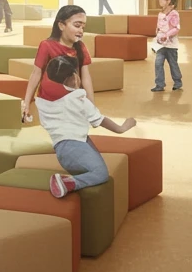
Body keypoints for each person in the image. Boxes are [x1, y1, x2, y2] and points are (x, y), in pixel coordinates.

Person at [34, 54, 137, 198]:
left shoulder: (43, 102)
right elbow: (99, 120)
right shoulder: (78, 99)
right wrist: (122, 128)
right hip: (74, 147)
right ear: (73, 77)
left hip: (63, 149)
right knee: (101, 173)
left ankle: (76, 176)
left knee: (94, 162)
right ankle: (68, 183)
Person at [21, 5, 96, 120]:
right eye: (77, 25)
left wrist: (91, 106)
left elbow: (86, 77)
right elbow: (36, 74)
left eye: (83, 27)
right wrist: (26, 103)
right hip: (48, 105)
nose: (80, 30)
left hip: (72, 104)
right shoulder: (46, 45)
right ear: (61, 25)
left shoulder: (81, 47)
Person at [151, 0, 182, 93]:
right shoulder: (160, 13)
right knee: (158, 63)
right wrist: (157, 35)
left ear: (168, 1)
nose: (160, 0)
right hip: (160, 44)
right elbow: (159, 26)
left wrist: (167, 35)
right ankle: (159, 84)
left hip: (171, 45)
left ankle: (177, 82)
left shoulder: (174, 14)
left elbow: (176, 28)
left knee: (173, 64)